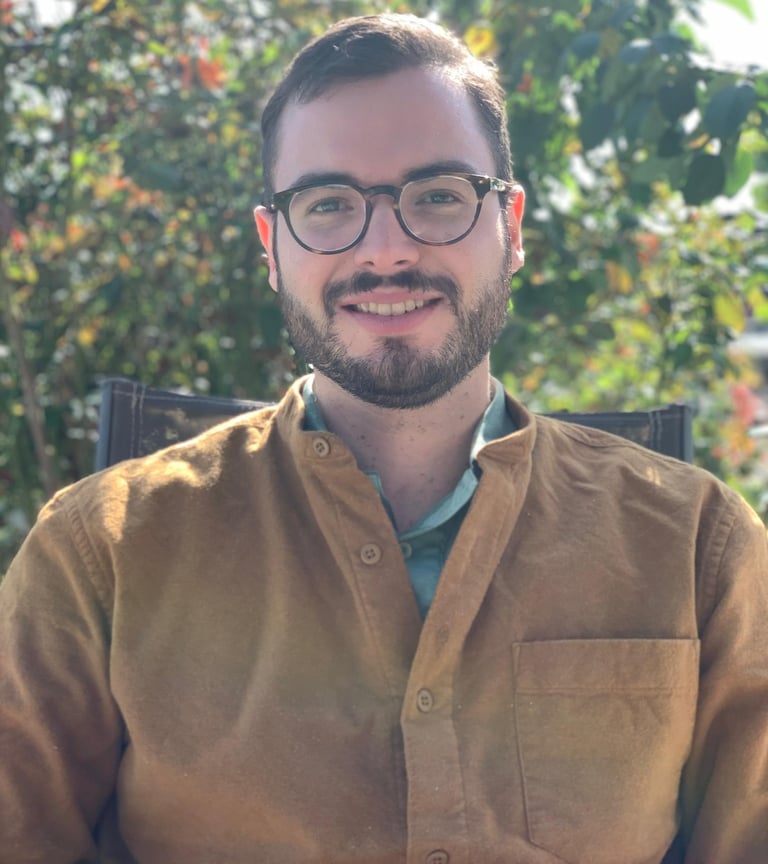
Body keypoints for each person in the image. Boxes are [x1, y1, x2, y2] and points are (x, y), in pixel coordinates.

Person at [1, 12, 767, 864]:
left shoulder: (697, 547)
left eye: (437, 195)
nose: (388, 250)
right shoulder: (100, 554)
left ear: (511, 226)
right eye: (328, 205)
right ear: (272, 246)